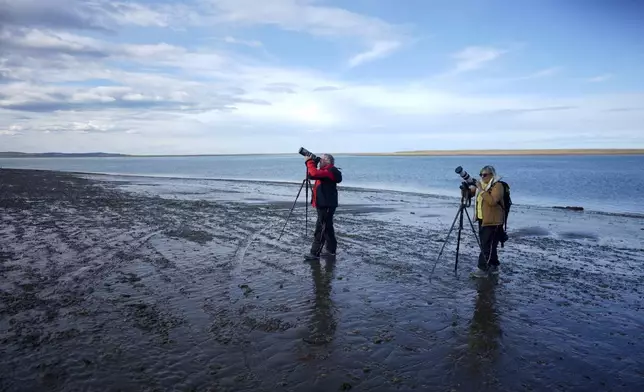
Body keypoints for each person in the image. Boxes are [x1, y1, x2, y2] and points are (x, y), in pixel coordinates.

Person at [303, 153, 342, 260]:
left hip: (326, 205)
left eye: (321, 160)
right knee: (327, 227)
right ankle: (331, 250)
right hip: (324, 204)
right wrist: (313, 163)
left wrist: (309, 162)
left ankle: (314, 253)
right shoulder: (325, 171)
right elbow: (311, 175)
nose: (319, 161)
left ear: (327, 161)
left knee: (321, 229)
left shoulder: (330, 171)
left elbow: (313, 172)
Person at [470, 165, 505, 277]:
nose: (482, 177)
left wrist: (480, 189)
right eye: (480, 174)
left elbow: (492, 201)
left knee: (486, 245)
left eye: (484, 175)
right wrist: (465, 189)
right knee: (490, 244)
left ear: (492, 175)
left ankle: (483, 269)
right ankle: (494, 266)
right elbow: (469, 195)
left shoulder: (498, 186)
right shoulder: (482, 185)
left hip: (493, 221)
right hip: (483, 219)